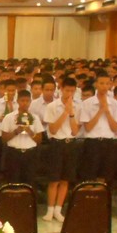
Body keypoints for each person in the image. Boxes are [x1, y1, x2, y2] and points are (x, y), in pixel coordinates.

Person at [43, 77, 81, 221]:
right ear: (61, 89)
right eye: (67, 90)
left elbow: (75, 131)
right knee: (54, 180)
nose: (69, 94)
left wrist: (71, 113)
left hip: (70, 144)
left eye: (72, 91)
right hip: (56, 144)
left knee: (65, 180)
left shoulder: (77, 107)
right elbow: (53, 129)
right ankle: (50, 209)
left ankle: (58, 210)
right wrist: (65, 112)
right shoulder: (52, 106)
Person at [0, 89, 43, 188]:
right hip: (13, 153)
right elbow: (3, 138)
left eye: (27, 101)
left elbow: (39, 139)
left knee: (29, 183)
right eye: (22, 100)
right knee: (13, 182)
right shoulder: (9, 117)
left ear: (30, 102)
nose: (25, 103)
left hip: (30, 154)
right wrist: (16, 131)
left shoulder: (34, 118)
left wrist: (29, 131)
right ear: (18, 101)